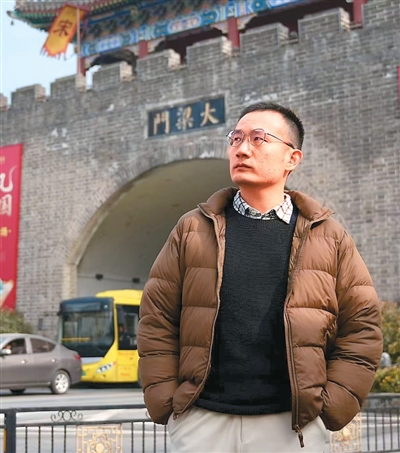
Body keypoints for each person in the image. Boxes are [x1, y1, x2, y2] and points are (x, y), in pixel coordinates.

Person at [137, 101, 383, 452]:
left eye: (258, 138)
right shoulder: (193, 229)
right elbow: (157, 318)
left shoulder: (328, 236)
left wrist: (332, 404)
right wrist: (166, 400)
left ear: (292, 158)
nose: (241, 149)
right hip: (202, 421)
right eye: (235, 138)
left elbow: (362, 325)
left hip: (291, 427)